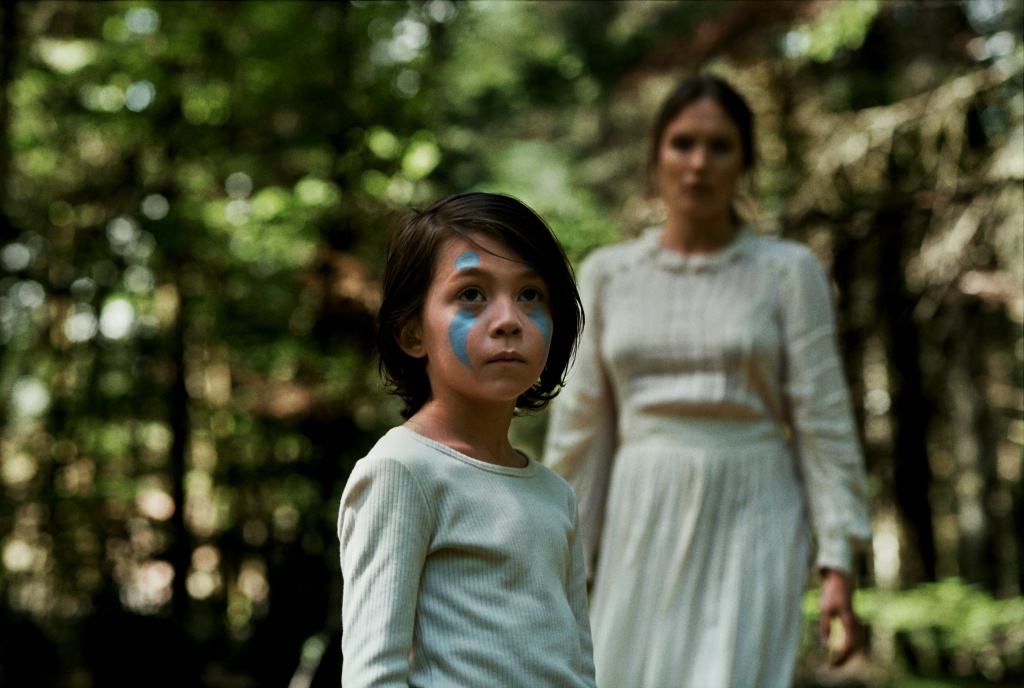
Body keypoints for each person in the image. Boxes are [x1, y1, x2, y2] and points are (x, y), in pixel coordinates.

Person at [542, 75, 872, 687]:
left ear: (745, 162)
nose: (698, 163)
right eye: (682, 143)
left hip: (755, 507)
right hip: (640, 509)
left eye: (719, 146)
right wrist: (560, 557)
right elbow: (581, 428)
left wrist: (838, 561)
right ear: (656, 156)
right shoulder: (609, 274)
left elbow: (823, 419)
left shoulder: (788, 272)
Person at [338, 192, 596, 687]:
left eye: (530, 294)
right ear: (412, 333)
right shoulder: (402, 470)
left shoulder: (555, 494)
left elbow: (581, 668)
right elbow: (374, 674)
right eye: (472, 294)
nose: (508, 320)